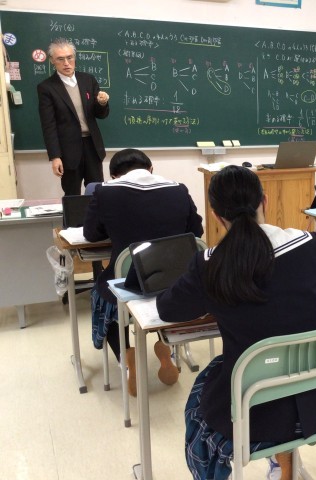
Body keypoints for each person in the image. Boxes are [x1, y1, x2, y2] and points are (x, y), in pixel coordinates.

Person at [156, 165, 316, 480]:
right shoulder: (308, 244)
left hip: (253, 416)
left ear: (216, 216)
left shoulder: (210, 264)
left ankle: (270, 461)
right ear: (265, 201)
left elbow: (168, 309)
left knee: (202, 392)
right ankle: (283, 462)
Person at [83, 148, 203, 397]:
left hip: (127, 282)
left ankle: (126, 358)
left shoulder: (104, 192)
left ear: (114, 176)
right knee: (159, 288)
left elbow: (91, 234)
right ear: (151, 169)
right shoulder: (178, 189)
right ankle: (166, 348)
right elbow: (196, 232)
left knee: (102, 291)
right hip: (175, 280)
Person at [38, 38, 110, 196]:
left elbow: (100, 114)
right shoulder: (47, 87)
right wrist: (55, 157)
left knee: (97, 191)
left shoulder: (88, 80)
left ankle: (95, 215)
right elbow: (48, 125)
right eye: (60, 59)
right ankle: (73, 215)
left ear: (74, 58)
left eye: (69, 58)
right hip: (68, 149)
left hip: (92, 145)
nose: (66, 63)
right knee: (72, 195)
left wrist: (102, 103)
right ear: (52, 61)